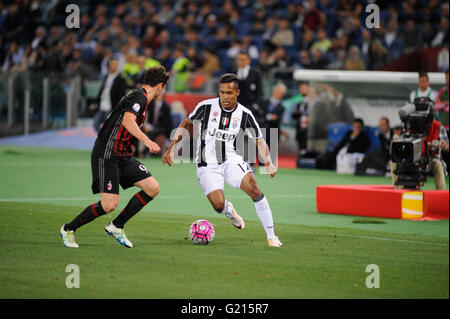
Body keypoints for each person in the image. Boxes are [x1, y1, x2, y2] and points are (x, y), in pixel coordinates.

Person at [161, 73, 283, 248]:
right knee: (218, 205)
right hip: (206, 164)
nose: (225, 97)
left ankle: (272, 236)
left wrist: (269, 163)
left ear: (237, 93)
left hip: (230, 159)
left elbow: (259, 139)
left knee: (254, 188)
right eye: (222, 92)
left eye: (229, 93)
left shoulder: (245, 114)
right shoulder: (206, 107)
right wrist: (171, 149)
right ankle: (229, 210)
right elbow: (186, 123)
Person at [60, 66, 170, 248]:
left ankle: (117, 225)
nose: (163, 91)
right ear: (160, 85)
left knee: (152, 188)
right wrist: (147, 141)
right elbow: (128, 120)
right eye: (164, 87)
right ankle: (68, 229)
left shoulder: (140, 98)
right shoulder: (139, 98)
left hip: (123, 154)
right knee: (109, 204)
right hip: (107, 152)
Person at [91, 58, 127, 133]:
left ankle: (106, 141)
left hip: (111, 107)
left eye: (115, 65)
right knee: (95, 124)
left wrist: (118, 108)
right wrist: (95, 102)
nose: (114, 66)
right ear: (109, 66)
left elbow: (121, 94)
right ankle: (103, 139)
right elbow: (102, 91)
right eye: (112, 64)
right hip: (102, 106)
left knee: (109, 127)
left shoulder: (121, 79)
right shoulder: (106, 77)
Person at [137, 90, 174, 157]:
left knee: (158, 135)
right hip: (150, 128)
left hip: (162, 129)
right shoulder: (150, 105)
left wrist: (154, 128)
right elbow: (147, 117)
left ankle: (156, 153)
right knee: (141, 132)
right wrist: (147, 125)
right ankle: (141, 153)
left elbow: (166, 122)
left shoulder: (166, 107)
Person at [261, 83, 286, 162]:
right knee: (262, 154)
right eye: (279, 91)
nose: (280, 94)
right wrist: (269, 117)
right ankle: (262, 171)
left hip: (274, 132)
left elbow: (277, 119)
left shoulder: (281, 107)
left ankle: (269, 171)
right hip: (263, 130)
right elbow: (261, 115)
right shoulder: (264, 102)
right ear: (274, 91)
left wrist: (268, 117)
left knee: (272, 155)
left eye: (282, 93)